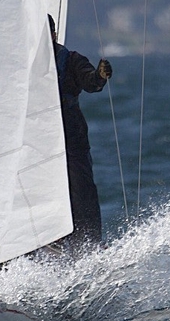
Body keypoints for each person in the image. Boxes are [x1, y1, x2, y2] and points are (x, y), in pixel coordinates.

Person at [48, 14, 112, 245]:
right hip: (36, 137)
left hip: (70, 133)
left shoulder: (71, 59)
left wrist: (99, 76)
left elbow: (90, 83)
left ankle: (89, 244)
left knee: (82, 191)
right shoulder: (20, 63)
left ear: (53, 35)